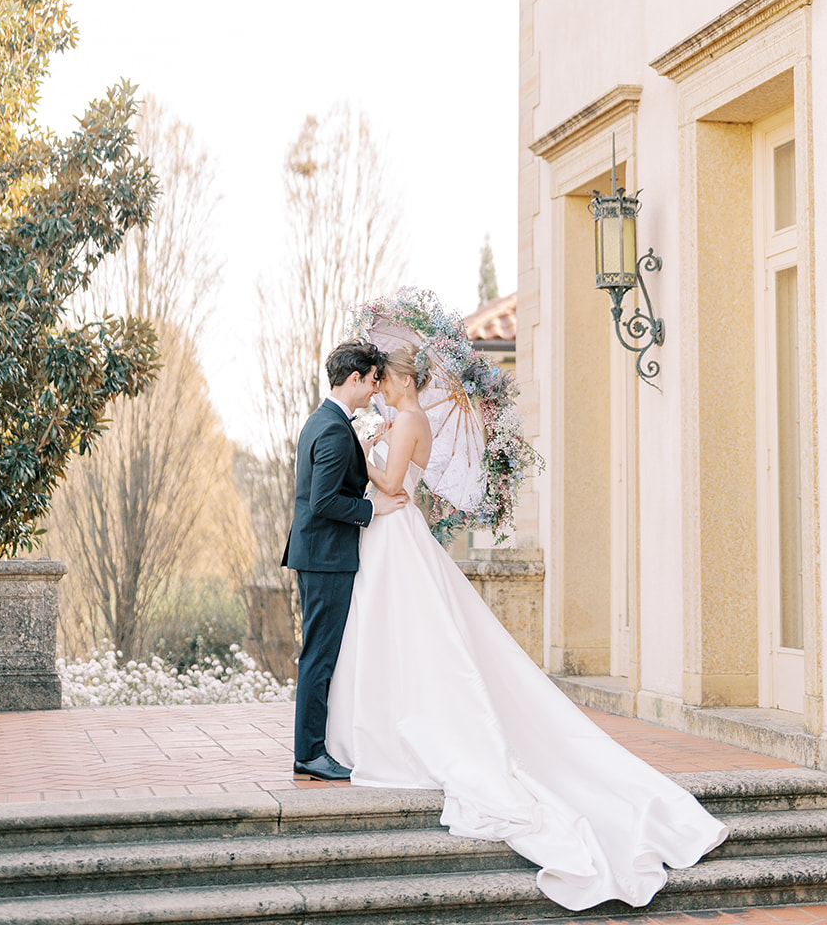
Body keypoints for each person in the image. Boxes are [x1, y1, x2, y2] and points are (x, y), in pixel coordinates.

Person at [325, 342, 728, 911]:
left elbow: (391, 488)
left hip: (395, 529)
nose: (378, 387)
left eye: (383, 379)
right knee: (394, 632)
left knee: (416, 634)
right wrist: (372, 432)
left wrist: (366, 450)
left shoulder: (410, 419)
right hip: (388, 536)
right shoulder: (401, 415)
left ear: (401, 381)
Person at [280, 338, 408, 779]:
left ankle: (314, 747)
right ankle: (311, 753)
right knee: (319, 656)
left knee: (319, 653)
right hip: (326, 557)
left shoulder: (325, 420)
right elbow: (324, 501)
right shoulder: (334, 428)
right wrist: (373, 509)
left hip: (317, 554)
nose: (376, 389)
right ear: (354, 378)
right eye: (373, 380)